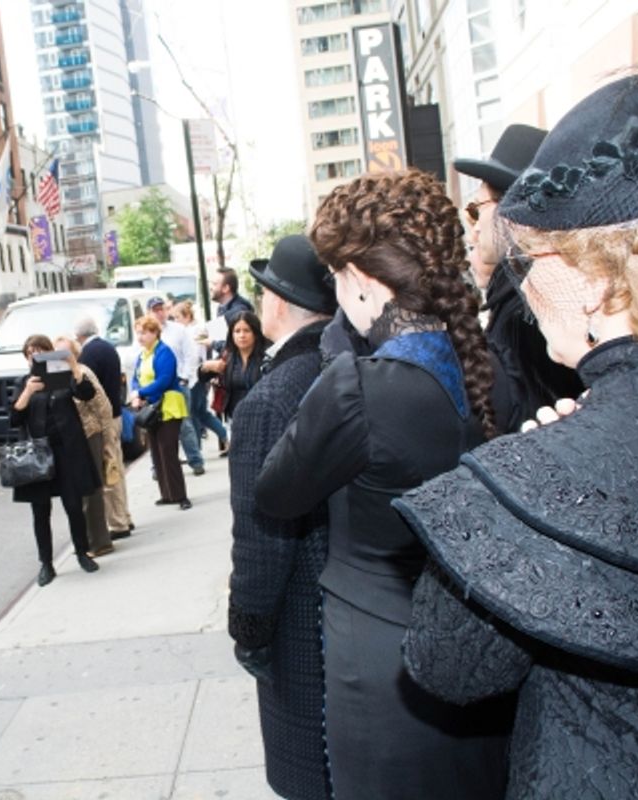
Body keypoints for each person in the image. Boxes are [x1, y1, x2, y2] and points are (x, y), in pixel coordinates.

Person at [398, 46, 638, 800]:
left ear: (598, 277)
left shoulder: (528, 483)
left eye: (530, 257)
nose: (525, 283)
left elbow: (450, 667)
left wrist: (551, 470)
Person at [254, 169, 508, 800]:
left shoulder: (357, 388)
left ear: (364, 282)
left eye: (337, 277)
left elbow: (276, 493)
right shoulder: (492, 368)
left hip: (381, 671)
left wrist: (338, 364)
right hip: (483, 655)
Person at [226, 235, 338, 799]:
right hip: (348, 605)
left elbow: (260, 541)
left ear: (275, 302)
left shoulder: (271, 400)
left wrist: (248, 630)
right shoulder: (343, 362)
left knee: (310, 773)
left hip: (299, 618)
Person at [454, 123, 585, 431]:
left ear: (510, 209)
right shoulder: (518, 293)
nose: (474, 226)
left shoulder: (528, 305)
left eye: (476, 209)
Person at [10, 334, 101, 586]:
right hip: (39, 454)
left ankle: (82, 552)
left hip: (66, 450)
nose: (34, 356)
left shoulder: (62, 378)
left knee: (73, 505)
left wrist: (73, 366)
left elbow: (86, 393)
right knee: (40, 510)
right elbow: (14, 418)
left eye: (39, 351)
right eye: (29, 353)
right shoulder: (23, 383)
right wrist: (28, 391)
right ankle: (46, 563)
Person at [75, 316, 135, 541]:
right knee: (116, 468)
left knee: (110, 472)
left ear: (80, 336)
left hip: (105, 419)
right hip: (115, 414)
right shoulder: (108, 348)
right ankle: (124, 516)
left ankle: (118, 523)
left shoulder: (89, 354)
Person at [54, 336, 114, 557]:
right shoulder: (56, 377)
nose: (61, 356)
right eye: (56, 351)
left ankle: (100, 541)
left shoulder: (83, 372)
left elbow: (102, 405)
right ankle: (87, 540)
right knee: (79, 492)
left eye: (65, 352)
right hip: (72, 439)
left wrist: (108, 439)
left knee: (93, 490)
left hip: (90, 434)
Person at [129, 315, 191, 510]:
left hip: (169, 406)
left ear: (155, 333)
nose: (141, 336)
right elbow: (136, 379)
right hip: (152, 407)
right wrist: (136, 393)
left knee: (168, 450)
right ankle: (167, 494)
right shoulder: (142, 355)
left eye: (145, 332)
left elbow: (164, 380)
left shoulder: (164, 352)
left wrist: (140, 392)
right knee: (156, 451)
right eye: (138, 332)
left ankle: (180, 495)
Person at [146, 296, 205, 476]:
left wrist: (185, 377)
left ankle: (195, 461)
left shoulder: (178, 330)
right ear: (149, 312)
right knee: (155, 426)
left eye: (161, 308)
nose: (159, 312)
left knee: (184, 425)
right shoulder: (146, 333)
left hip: (177, 385)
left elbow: (190, 354)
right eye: (155, 310)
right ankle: (158, 466)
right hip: (155, 386)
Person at [176, 300, 230, 456]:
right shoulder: (193, 329)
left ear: (186, 316)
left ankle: (196, 449)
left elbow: (195, 356)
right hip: (198, 376)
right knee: (201, 413)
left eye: (178, 317)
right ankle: (225, 435)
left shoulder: (193, 331)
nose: (176, 321)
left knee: (194, 413)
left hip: (195, 376)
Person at [197, 311, 268, 421]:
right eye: (237, 331)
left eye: (247, 331)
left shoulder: (267, 356)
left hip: (261, 417)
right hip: (234, 417)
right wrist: (206, 366)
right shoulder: (227, 355)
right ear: (231, 334)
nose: (242, 335)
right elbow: (202, 377)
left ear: (256, 333)